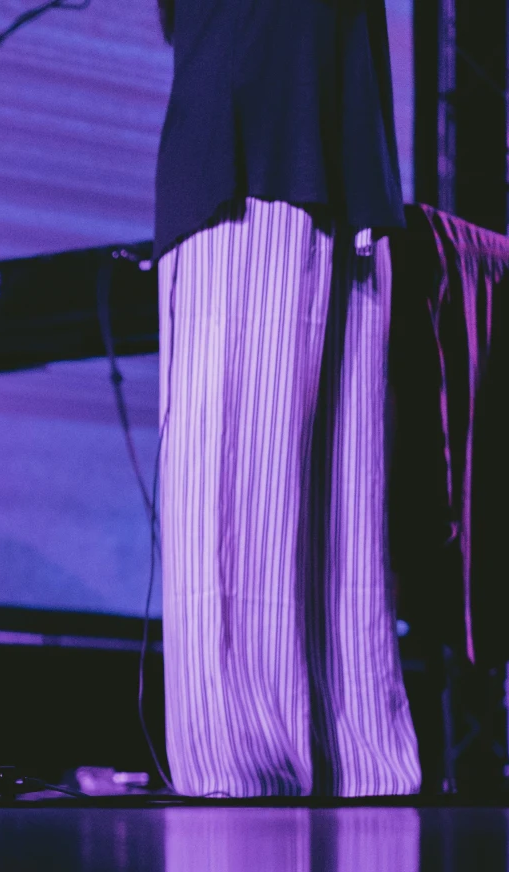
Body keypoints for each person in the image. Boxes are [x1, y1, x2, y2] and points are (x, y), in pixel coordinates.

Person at [153, 0, 422, 797]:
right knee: (244, 493)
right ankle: (248, 759)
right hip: (248, 153)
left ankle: (354, 754)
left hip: (341, 158)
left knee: (343, 517)